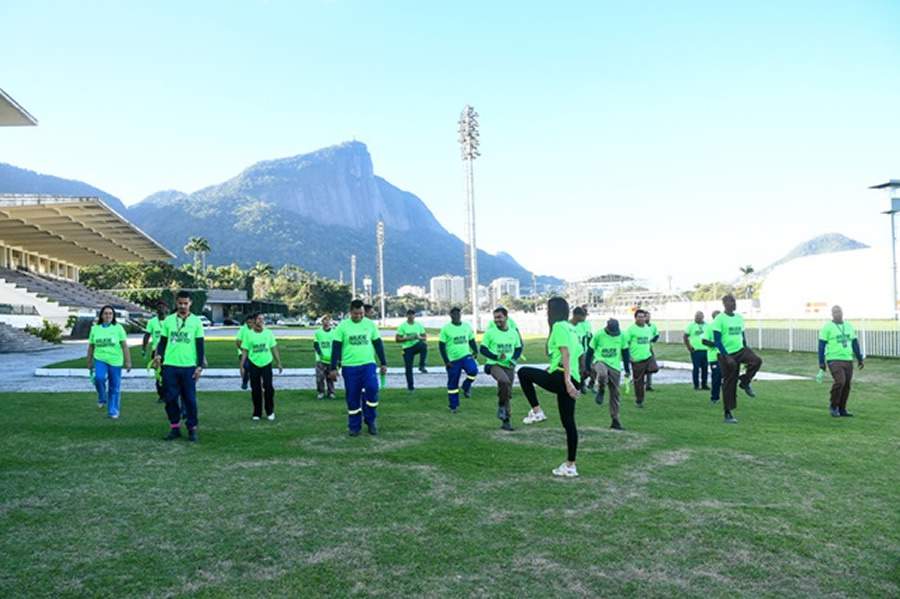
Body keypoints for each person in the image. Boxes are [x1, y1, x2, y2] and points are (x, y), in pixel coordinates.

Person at [517, 297, 582, 477]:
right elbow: (573, 355)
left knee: (523, 372)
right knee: (569, 423)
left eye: (548, 309)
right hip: (571, 376)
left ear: (552, 312)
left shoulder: (559, 327)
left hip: (563, 377)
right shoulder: (572, 328)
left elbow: (565, 353)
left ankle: (537, 411)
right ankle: (570, 465)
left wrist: (566, 381)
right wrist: (569, 378)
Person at [328, 299, 388, 436]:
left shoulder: (370, 325)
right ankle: (354, 426)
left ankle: (370, 420)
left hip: (368, 364)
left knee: (372, 388)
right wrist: (333, 368)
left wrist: (383, 363)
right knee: (352, 396)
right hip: (350, 367)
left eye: (361, 313)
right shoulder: (342, 326)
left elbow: (378, 344)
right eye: (356, 314)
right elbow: (336, 348)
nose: (359, 316)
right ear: (350, 312)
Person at [153, 291, 205, 442]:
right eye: (180, 303)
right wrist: (159, 355)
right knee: (170, 398)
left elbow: (200, 345)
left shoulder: (196, 322)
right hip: (170, 366)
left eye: (185, 303)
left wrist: (199, 366)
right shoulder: (169, 321)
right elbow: (162, 342)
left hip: (189, 366)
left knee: (190, 399)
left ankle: (192, 428)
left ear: (190, 303)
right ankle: (174, 427)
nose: (183, 306)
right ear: (176, 303)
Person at [712, 294, 763, 424]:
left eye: (735, 302)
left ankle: (744, 382)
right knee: (730, 382)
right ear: (725, 304)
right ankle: (728, 413)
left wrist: (747, 349)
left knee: (756, 361)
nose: (734, 304)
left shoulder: (739, 318)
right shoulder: (719, 319)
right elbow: (717, 341)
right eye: (731, 302)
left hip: (740, 350)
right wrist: (726, 356)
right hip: (725, 354)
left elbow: (742, 335)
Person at [479, 306, 523, 431]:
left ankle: (506, 421)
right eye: (495, 318)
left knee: (507, 392)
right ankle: (501, 406)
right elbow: (482, 349)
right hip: (494, 364)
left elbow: (518, 348)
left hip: (509, 365)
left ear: (506, 317)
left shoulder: (513, 332)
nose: (497, 320)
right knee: (504, 381)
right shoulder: (490, 332)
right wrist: (496, 356)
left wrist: (514, 359)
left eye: (499, 317)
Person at [818, 305, 864, 418]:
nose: (837, 314)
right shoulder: (827, 327)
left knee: (847, 384)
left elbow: (854, 343)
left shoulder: (848, 326)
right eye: (835, 312)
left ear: (842, 313)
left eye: (839, 312)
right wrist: (821, 362)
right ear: (832, 314)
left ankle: (842, 409)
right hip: (834, 359)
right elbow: (821, 346)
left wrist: (859, 358)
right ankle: (833, 406)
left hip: (848, 359)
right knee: (840, 381)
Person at [87, 305, 132, 419]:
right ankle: (102, 397)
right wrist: (89, 361)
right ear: (101, 315)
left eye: (110, 313)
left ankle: (113, 411)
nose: (108, 316)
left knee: (114, 386)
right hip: (100, 359)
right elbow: (91, 346)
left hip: (115, 360)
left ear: (113, 316)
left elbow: (124, 346)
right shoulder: (95, 329)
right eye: (106, 313)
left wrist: (128, 361)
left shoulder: (118, 328)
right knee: (99, 378)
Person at [585, 318, 629, 430]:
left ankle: (615, 420)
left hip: (615, 366)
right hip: (600, 361)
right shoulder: (599, 335)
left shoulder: (622, 336)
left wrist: (627, 369)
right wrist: (587, 367)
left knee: (615, 394)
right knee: (602, 374)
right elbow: (590, 351)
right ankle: (601, 390)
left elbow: (625, 353)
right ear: (607, 329)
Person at [240, 313, 284, 421]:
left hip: (266, 363)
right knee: (255, 389)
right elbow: (245, 350)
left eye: (262, 319)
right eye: (259, 319)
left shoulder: (268, 333)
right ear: (254, 321)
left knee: (268, 387)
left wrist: (278, 362)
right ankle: (257, 413)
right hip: (254, 363)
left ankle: (270, 411)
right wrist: (242, 366)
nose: (261, 321)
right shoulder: (248, 334)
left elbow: (274, 347)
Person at [439, 307, 479, 413]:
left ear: (460, 315)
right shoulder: (446, 329)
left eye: (458, 314)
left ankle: (466, 386)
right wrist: (446, 361)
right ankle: (453, 406)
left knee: (473, 370)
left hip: (466, 356)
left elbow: (471, 340)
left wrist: (475, 350)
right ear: (450, 315)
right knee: (453, 383)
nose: (456, 316)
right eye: (454, 314)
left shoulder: (466, 326)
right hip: (453, 360)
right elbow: (441, 346)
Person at [624, 310, 659, 408]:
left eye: (643, 317)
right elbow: (626, 344)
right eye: (639, 317)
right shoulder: (631, 329)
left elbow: (649, 340)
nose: (641, 319)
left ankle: (643, 376)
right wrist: (629, 356)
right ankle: (639, 401)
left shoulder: (647, 328)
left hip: (648, 356)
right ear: (635, 318)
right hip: (637, 359)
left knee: (655, 368)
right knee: (639, 383)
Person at [142, 300, 169, 403]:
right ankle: (161, 396)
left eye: (163, 307)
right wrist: (144, 348)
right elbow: (147, 335)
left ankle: (170, 394)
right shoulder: (152, 322)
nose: (161, 309)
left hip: (170, 352)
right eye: (159, 307)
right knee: (158, 375)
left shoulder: (171, 321)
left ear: (166, 309)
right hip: (156, 353)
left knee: (169, 374)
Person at [395, 310, 428, 392]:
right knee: (408, 368)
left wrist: (419, 337)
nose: (411, 317)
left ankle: (422, 365)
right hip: (407, 348)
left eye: (412, 315)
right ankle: (410, 387)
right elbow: (397, 339)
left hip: (416, 345)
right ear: (406, 316)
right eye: (409, 315)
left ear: (414, 316)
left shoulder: (418, 325)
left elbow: (424, 337)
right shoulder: (403, 326)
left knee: (424, 346)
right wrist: (407, 338)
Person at [683, 311, 709, 391]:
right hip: (695, 350)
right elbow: (685, 337)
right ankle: (696, 385)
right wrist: (689, 347)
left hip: (705, 349)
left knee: (705, 368)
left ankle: (704, 384)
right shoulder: (691, 326)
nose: (697, 318)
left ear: (702, 317)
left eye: (699, 316)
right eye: (696, 316)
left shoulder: (707, 326)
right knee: (696, 368)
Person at [701, 310, 722, 404]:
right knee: (716, 378)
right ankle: (714, 398)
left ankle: (730, 396)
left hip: (726, 356)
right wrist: (716, 344)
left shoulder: (724, 327)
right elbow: (704, 341)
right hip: (714, 357)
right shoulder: (710, 327)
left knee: (729, 377)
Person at [313, 314, 336, 399]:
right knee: (320, 377)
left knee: (330, 377)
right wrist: (320, 354)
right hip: (320, 359)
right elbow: (316, 344)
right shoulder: (318, 332)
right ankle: (321, 392)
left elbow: (336, 345)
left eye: (328, 320)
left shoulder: (334, 332)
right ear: (322, 322)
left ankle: (331, 392)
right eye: (324, 320)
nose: (326, 322)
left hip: (330, 359)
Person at [571, 306, 592, 390]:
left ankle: (583, 383)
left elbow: (590, 336)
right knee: (579, 368)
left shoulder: (587, 324)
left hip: (585, 349)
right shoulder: (573, 324)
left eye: (585, 315)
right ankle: (580, 384)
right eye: (583, 315)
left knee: (588, 368)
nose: (585, 317)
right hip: (576, 351)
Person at [235, 314, 254, 391]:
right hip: (243, 352)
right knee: (246, 366)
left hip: (253, 352)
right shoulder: (242, 329)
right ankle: (244, 382)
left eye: (252, 322)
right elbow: (238, 342)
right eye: (248, 322)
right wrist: (243, 350)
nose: (250, 324)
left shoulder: (255, 329)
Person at [645, 311, 659, 391]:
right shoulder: (640, 327)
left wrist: (652, 340)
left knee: (651, 367)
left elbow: (656, 335)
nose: (648, 318)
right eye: (647, 316)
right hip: (640, 350)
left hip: (649, 349)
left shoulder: (652, 326)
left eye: (649, 316)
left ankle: (648, 385)